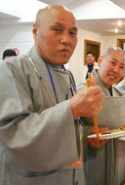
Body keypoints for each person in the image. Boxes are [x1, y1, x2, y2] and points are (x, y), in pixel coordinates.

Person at [0, 5, 103, 185]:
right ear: (35, 31)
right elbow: (14, 134)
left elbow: (70, 127)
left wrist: (88, 135)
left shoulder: (67, 75)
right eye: (57, 30)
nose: (66, 40)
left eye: (72, 33)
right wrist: (71, 109)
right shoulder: (12, 70)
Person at [84, 47, 125, 185]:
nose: (116, 70)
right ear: (100, 61)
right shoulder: (85, 87)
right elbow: (99, 112)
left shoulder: (116, 91)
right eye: (112, 63)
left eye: (121, 66)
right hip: (97, 164)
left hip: (121, 162)